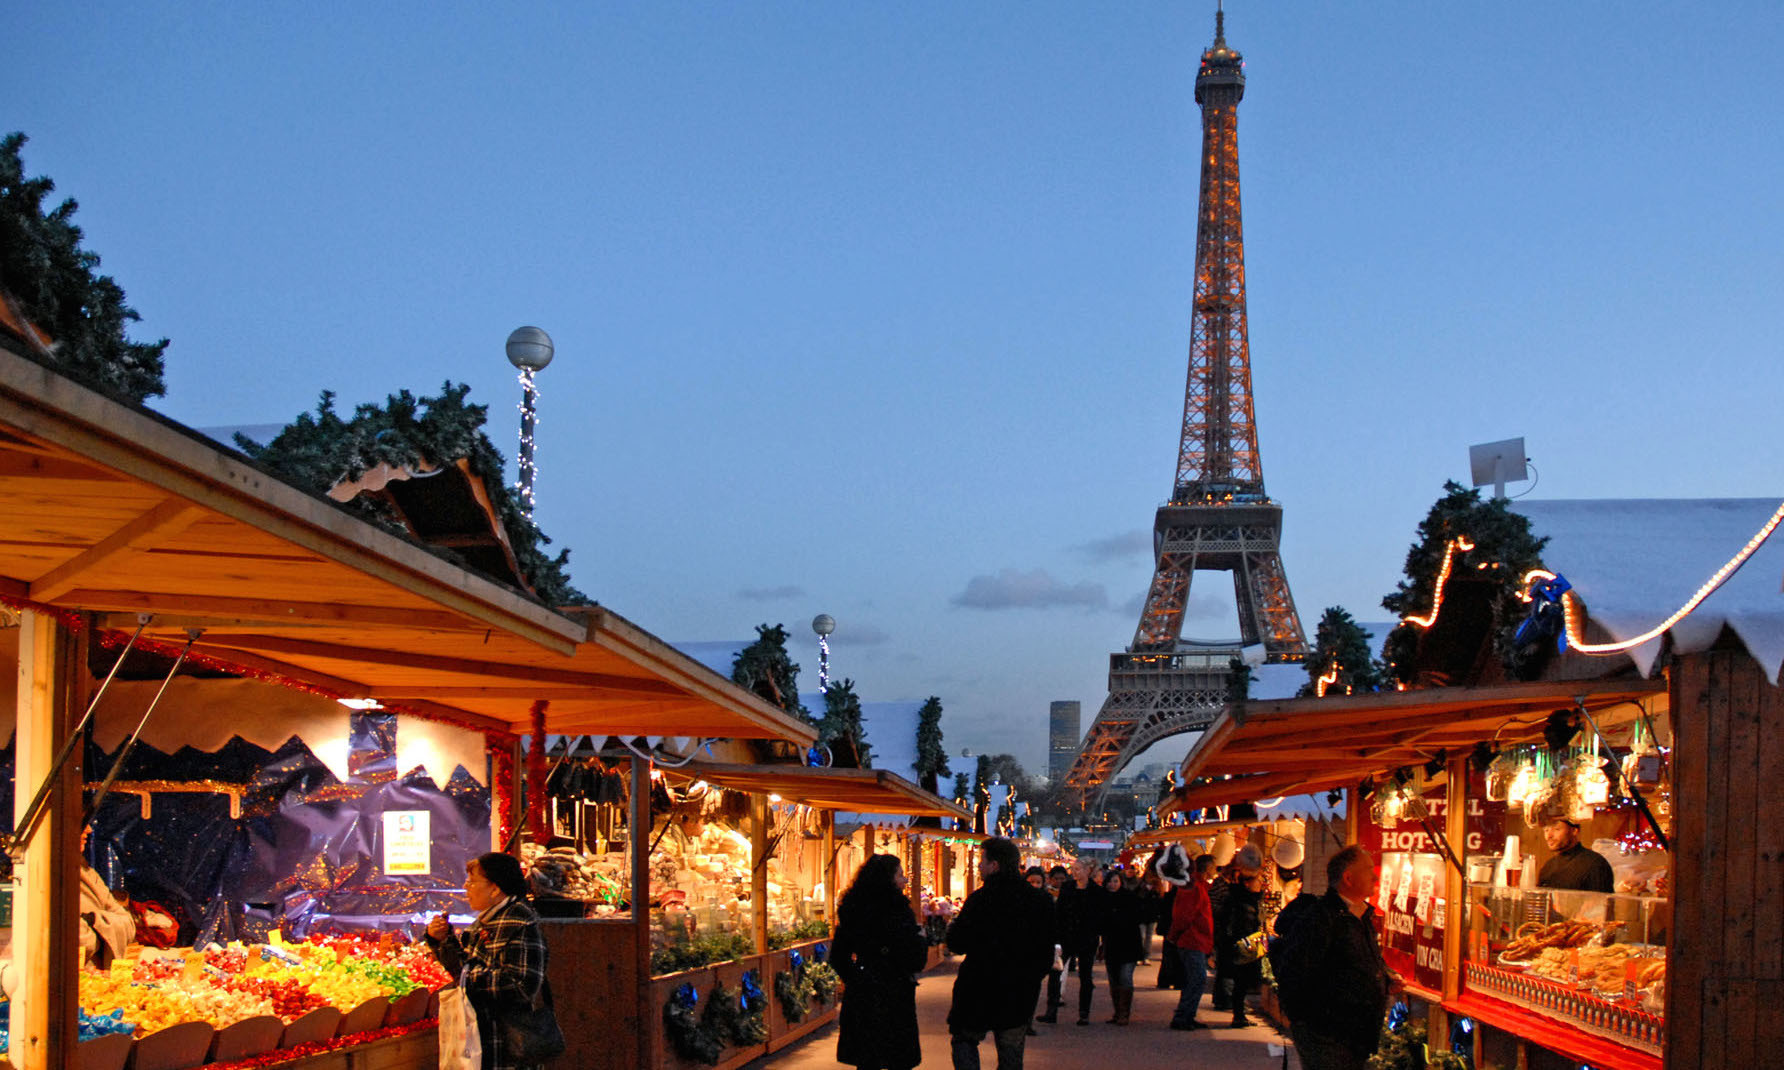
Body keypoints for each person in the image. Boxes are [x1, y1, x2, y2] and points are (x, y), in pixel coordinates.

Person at [1273, 846, 1398, 1070]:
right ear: (1348, 878)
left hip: (1355, 1035)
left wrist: (1385, 979)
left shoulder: (1361, 916)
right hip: (1328, 1036)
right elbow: (1296, 973)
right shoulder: (1321, 919)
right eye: (1368, 869)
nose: (1375, 876)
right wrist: (1310, 1024)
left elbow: (1354, 964)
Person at [427, 853, 550, 1070]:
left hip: (506, 1049)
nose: (466, 887)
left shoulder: (518, 922)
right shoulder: (486, 921)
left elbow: (521, 986)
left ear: (495, 888)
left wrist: (467, 975)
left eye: (473, 881)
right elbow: (463, 967)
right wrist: (442, 941)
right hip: (483, 1043)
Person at [945, 837, 1055, 1070]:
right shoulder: (1039, 900)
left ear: (994, 865)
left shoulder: (980, 900)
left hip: (978, 985)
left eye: (981, 861)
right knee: (1011, 1052)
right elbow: (1047, 946)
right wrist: (1034, 975)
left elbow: (957, 943)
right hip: (1019, 988)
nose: (978, 866)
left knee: (965, 1039)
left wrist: (954, 930)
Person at [831, 854, 928, 1070]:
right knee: (897, 1055)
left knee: (868, 1056)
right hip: (896, 990)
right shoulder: (899, 910)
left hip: (864, 991)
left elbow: (838, 955)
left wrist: (856, 978)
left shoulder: (854, 909)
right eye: (900, 875)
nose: (904, 880)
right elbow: (914, 957)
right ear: (888, 879)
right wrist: (920, 939)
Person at [1214, 846, 1265, 1028]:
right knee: (1241, 980)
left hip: (1236, 940)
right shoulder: (1244, 898)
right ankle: (1238, 1014)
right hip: (1244, 941)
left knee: (1238, 980)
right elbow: (1247, 920)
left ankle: (1238, 1013)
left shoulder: (1234, 895)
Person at [1164, 851, 1214, 1030]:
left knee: (1193, 979)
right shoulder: (1193, 887)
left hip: (1195, 939)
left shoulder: (1196, 885)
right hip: (1192, 939)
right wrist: (1175, 935)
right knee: (1196, 979)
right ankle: (1183, 1016)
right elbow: (1184, 915)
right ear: (1207, 869)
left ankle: (1187, 1015)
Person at [1056, 859, 1105, 1025]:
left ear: (1087, 870)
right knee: (1056, 971)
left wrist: (1098, 937)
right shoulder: (1068, 888)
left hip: (1087, 938)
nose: (1074, 872)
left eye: (1077, 869)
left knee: (1085, 976)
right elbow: (1060, 911)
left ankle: (1084, 1013)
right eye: (1073, 869)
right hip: (1067, 936)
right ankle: (1051, 1009)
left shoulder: (1097, 891)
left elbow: (1100, 916)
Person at [1097, 869, 1145, 1025]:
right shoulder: (1102, 899)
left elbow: (1138, 916)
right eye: (1110, 881)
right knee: (1114, 979)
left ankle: (1124, 1013)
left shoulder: (1129, 898)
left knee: (1125, 977)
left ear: (1121, 882)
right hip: (1111, 945)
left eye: (1116, 881)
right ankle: (1117, 1011)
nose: (1112, 884)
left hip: (1128, 944)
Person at [1536, 809, 1615, 893]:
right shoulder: (1548, 867)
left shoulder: (1595, 863)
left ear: (1574, 831)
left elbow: (1602, 903)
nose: (1549, 836)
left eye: (1556, 829)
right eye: (1546, 830)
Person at [1036, 866, 1070, 1022]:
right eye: (1056, 878)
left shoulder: (1069, 895)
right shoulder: (1044, 895)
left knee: (1056, 976)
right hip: (1044, 939)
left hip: (1062, 940)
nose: (1059, 882)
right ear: (1050, 879)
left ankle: (1052, 1011)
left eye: (1062, 879)